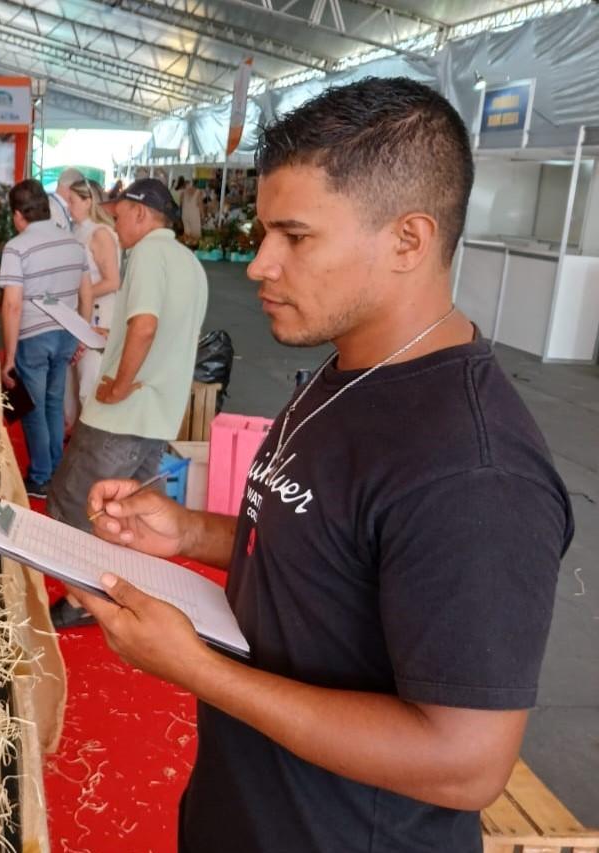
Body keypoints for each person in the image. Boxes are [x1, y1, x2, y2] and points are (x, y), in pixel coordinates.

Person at [71, 77, 573, 853]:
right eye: (267, 231)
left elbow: (464, 763)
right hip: (246, 811)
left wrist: (198, 670)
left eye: (295, 237)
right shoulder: (351, 372)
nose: (261, 263)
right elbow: (332, 542)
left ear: (409, 239)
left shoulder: (475, 471)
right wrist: (192, 532)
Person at [46, 177, 207, 625]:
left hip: (124, 413)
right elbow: (165, 335)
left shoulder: (151, 252)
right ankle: (119, 589)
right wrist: (110, 340)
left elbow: (146, 327)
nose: (115, 227)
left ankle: (82, 600)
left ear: (141, 212)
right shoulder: (190, 264)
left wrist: (117, 384)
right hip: (159, 414)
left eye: (118, 217)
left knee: (73, 501)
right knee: (125, 511)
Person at [0, 179, 92, 499]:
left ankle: (40, 477)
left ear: (17, 215)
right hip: (65, 333)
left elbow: (11, 304)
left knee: (32, 408)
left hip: (34, 337)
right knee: (54, 402)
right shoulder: (72, 243)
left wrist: (9, 358)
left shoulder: (17, 247)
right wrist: (82, 334)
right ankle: (55, 469)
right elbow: (86, 293)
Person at [64, 178, 121, 404]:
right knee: (73, 379)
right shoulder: (77, 230)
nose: (69, 206)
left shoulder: (100, 234)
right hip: (78, 312)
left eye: (72, 201)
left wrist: (81, 295)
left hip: (99, 314)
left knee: (89, 377)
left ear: (88, 202)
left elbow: (113, 281)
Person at [175, 176, 203, 244]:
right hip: (194, 215)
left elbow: (181, 204)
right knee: (196, 236)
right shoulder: (198, 192)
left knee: (187, 234)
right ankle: (193, 249)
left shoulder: (183, 193)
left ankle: (186, 248)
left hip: (185, 214)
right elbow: (200, 205)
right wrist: (203, 215)